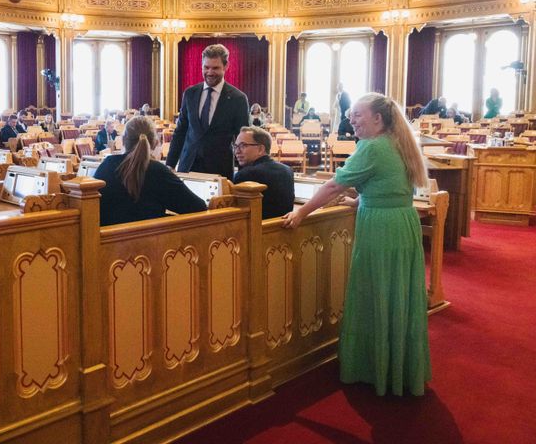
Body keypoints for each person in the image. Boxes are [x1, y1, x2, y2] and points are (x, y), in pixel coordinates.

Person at [283, 93, 431, 396]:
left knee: (376, 291)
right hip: (402, 222)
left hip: (382, 227)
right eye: (351, 115)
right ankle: (398, 368)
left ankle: (375, 369)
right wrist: (362, 199)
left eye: (358, 115)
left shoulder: (373, 147)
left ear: (378, 118)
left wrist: (301, 212)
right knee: (397, 293)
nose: (352, 120)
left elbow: (333, 185)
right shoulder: (396, 140)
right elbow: (390, 184)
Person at [95, 116, 207, 226]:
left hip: (104, 237)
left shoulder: (106, 165)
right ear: (155, 143)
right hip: (147, 238)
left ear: (123, 140)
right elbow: (199, 208)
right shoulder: (158, 172)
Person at [165, 44, 250, 180]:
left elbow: (242, 140)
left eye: (215, 68)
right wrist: (170, 165)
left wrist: (243, 175)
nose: (210, 72)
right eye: (206, 67)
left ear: (226, 66)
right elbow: (180, 131)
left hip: (219, 171)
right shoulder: (190, 93)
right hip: (188, 167)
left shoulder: (238, 98)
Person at [232, 126, 294, 219]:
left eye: (243, 145)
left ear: (260, 149)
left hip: (257, 227)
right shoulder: (287, 170)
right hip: (283, 225)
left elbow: (236, 213)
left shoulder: (245, 175)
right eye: (236, 146)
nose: (237, 151)